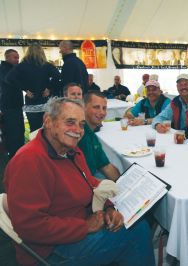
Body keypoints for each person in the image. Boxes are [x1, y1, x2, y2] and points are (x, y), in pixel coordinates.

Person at [3, 97, 155, 266]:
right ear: (48, 121)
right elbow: (30, 226)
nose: (77, 130)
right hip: (52, 251)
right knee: (137, 232)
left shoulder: (71, 151)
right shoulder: (29, 161)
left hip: (74, 230)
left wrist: (110, 208)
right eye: (70, 122)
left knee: (131, 222)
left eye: (81, 124)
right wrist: (85, 226)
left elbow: (91, 184)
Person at [6, 45, 60, 132]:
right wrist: (49, 89)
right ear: (41, 53)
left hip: (30, 103)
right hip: (44, 102)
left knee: (34, 130)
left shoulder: (22, 66)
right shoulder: (46, 65)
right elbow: (58, 76)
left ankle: (34, 145)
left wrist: (24, 89)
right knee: (47, 130)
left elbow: (9, 78)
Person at [79, 91, 121, 181]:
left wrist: (122, 182)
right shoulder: (79, 134)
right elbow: (80, 178)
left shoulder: (90, 133)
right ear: (84, 107)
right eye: (96, 107)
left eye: (104, 108)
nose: (102, 112)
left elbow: (105, 166)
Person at [0, 49, 22, 158]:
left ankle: (17, 154)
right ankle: (14, 155)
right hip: (9, 106)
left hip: (14, 106)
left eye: (18, 57)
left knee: (18, 131)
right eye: (15, 57)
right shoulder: (4, 69)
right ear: (7, 57)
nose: (17, 60)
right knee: (13, 132)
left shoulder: (11, 69)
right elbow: (10, 81)